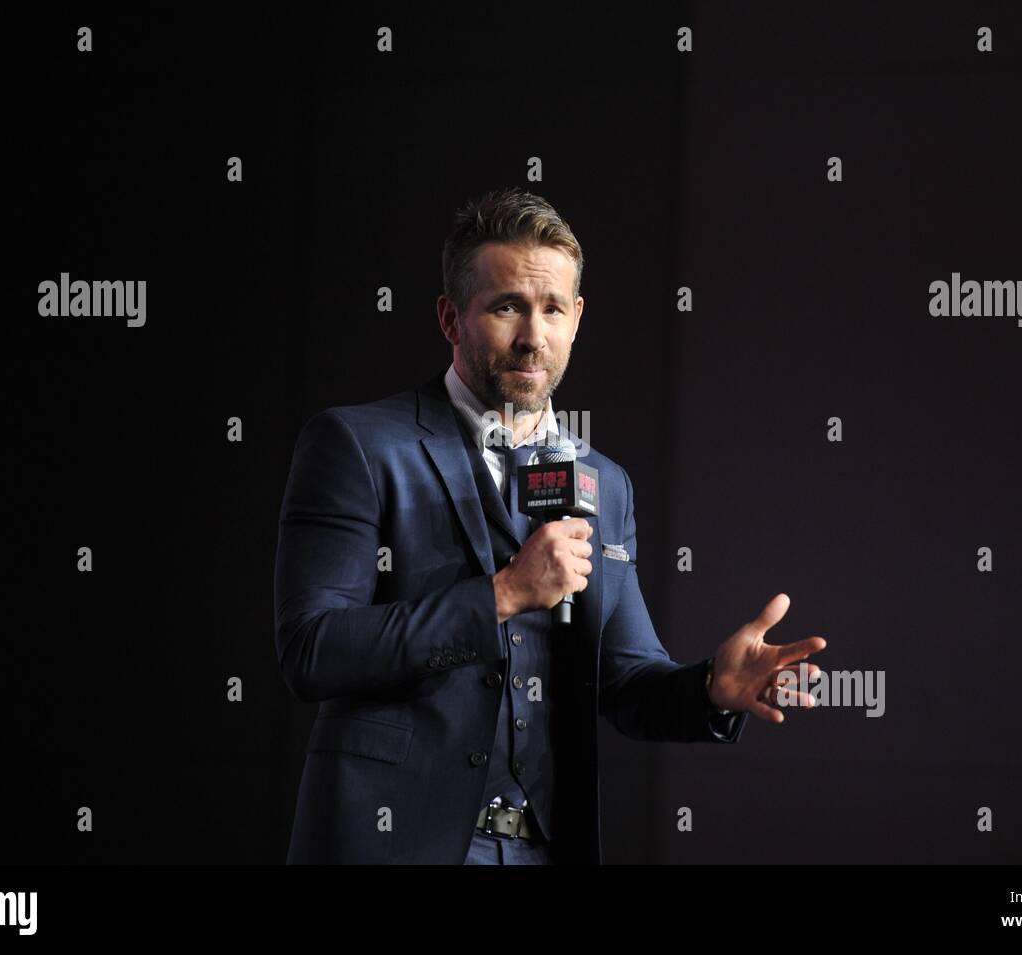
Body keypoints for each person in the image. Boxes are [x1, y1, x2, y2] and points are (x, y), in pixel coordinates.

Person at [273, 187, 826, 864]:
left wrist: (712, 686)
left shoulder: (604, 482)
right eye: (507, 306)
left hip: (542, 850)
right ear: (451, 318)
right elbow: (313, 649)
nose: (534, 336)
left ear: (578, 318)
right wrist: (503, 593)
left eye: (553, 309)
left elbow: (625, 681)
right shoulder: (359, 444)